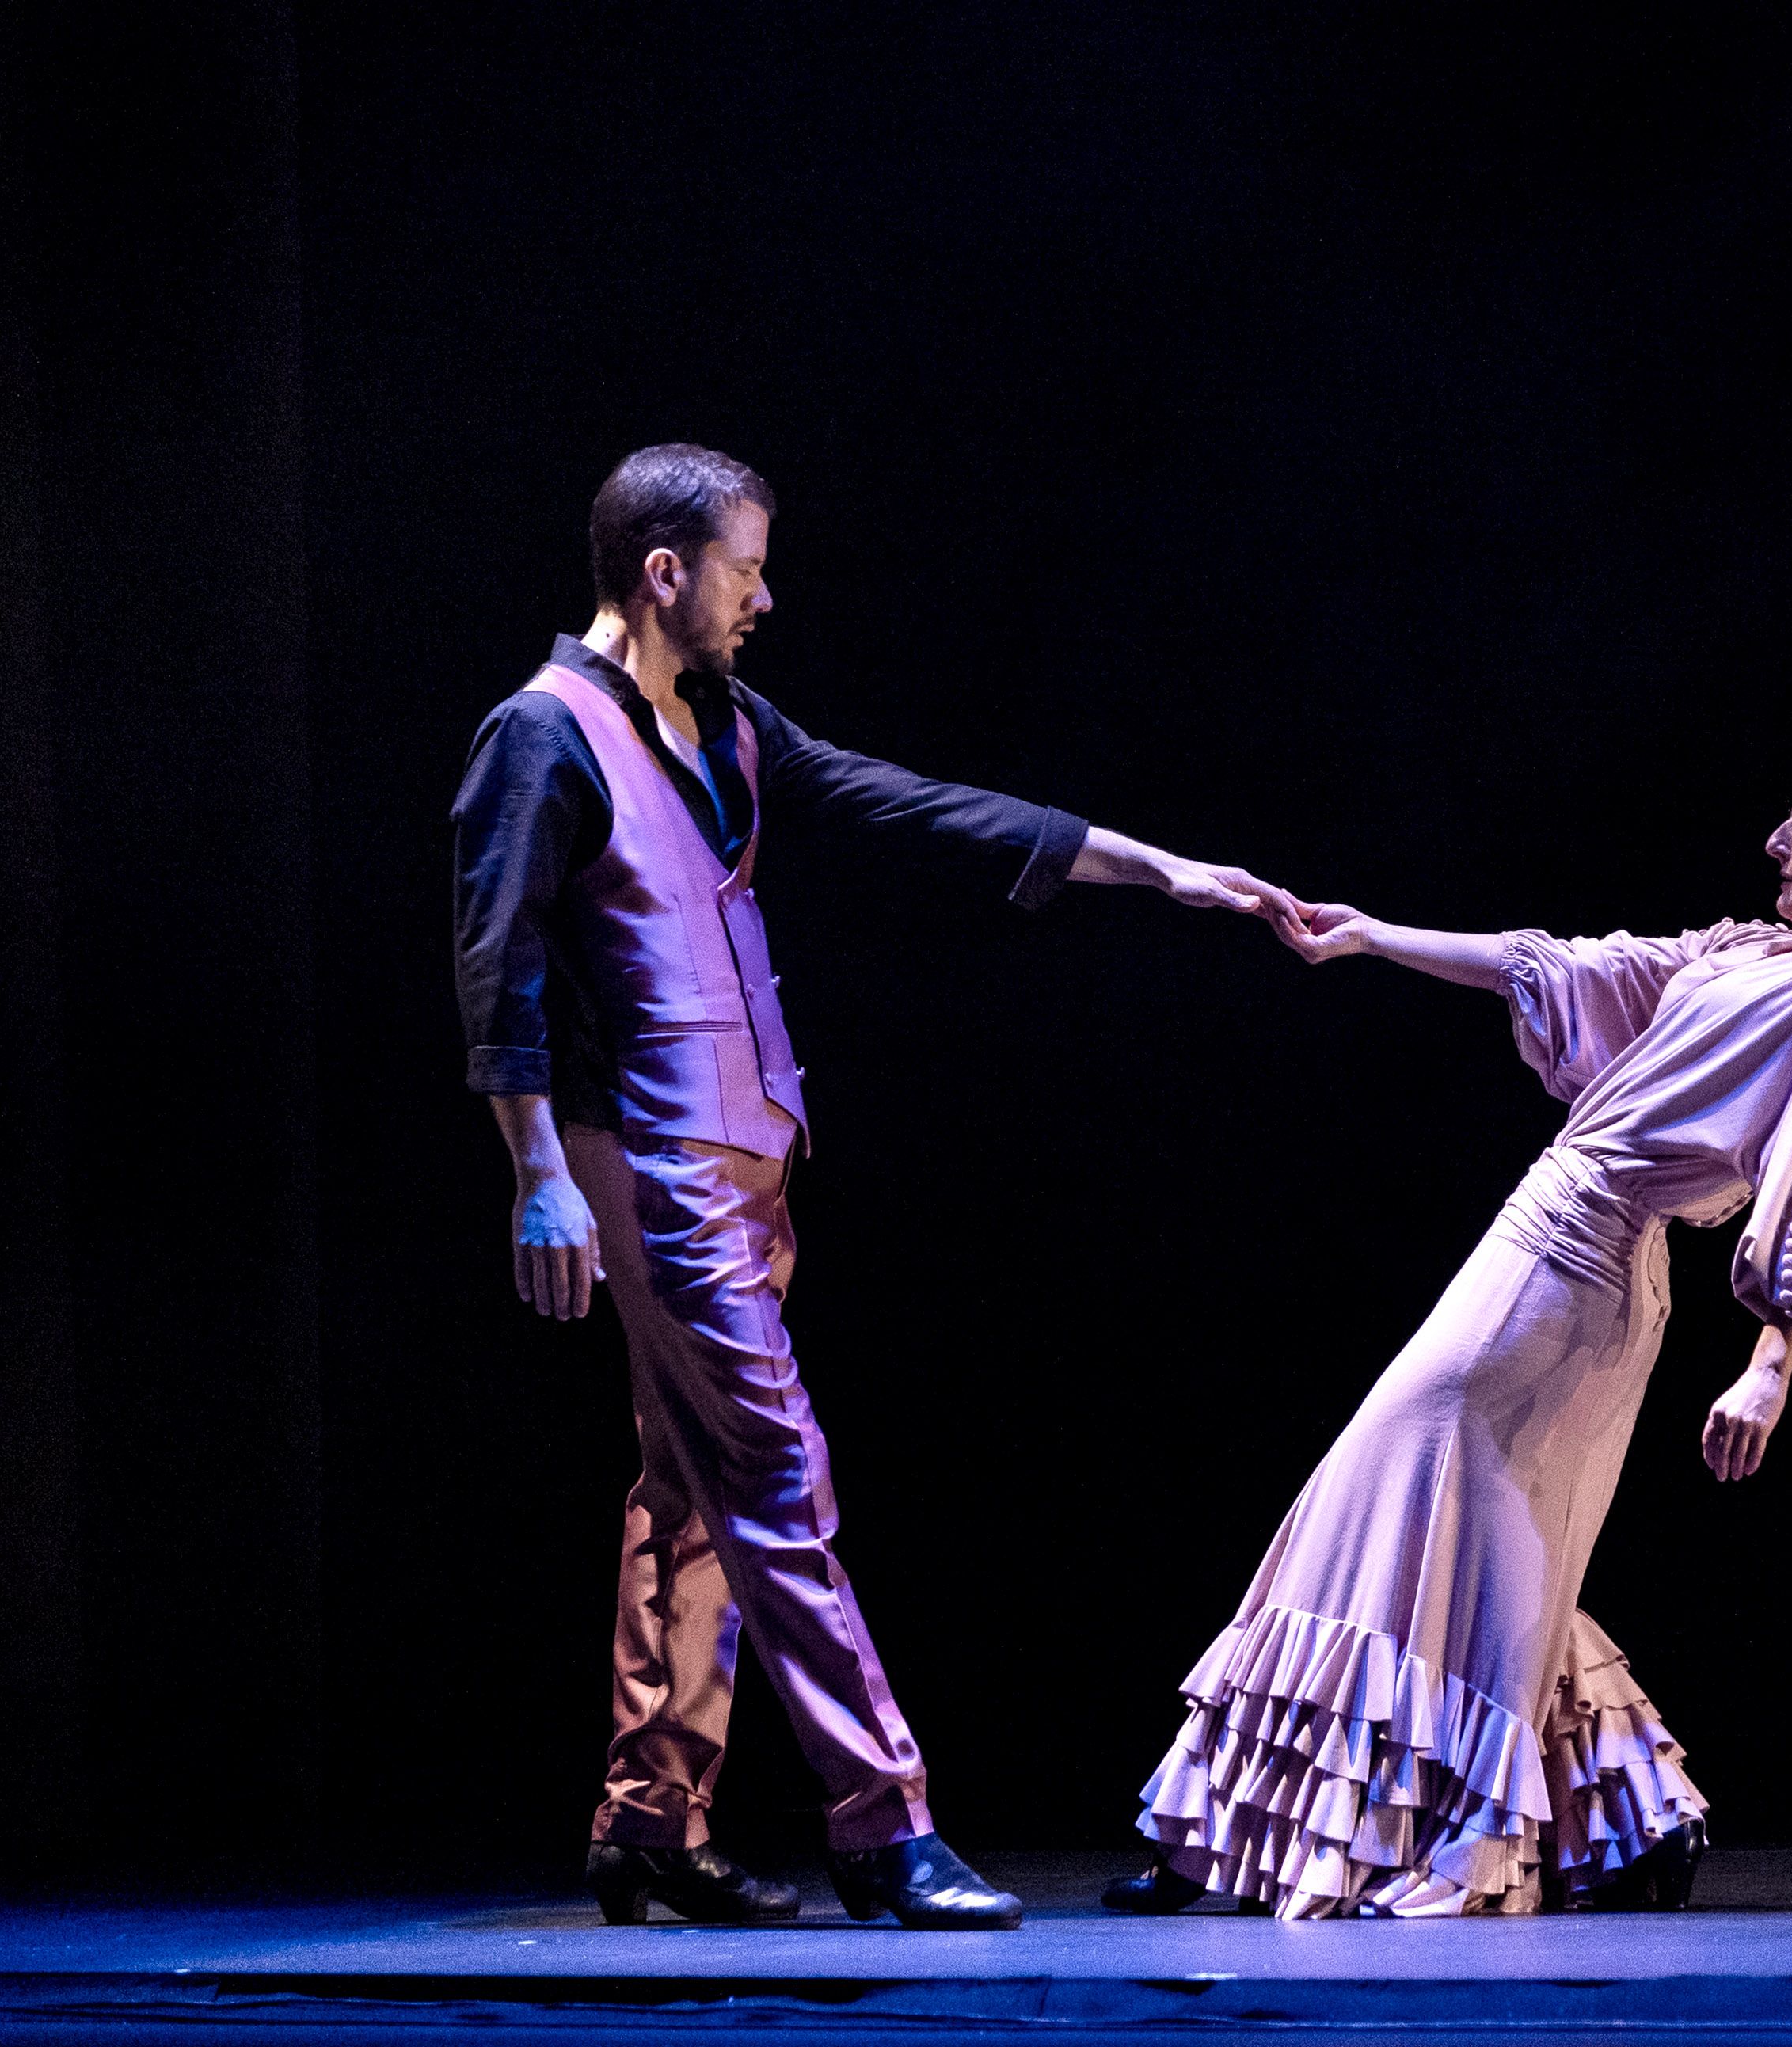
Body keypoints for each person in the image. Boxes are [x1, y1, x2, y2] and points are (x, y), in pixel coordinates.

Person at [453, 444, 1295, 1931]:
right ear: (666, 573)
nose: (762, 595)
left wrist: (1162, 869)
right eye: (745, 568)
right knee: (778, 1474)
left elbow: (908, 805)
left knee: (692, 1495)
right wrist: (537, 1175)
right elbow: (498, 960)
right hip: (648, 1166)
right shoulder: (544, 734)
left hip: (751, 1155)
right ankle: (881, 1824)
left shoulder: (720, 723)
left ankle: (651, 1826)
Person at [1108, 752, 1792, 1918]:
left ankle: (1225, 1827)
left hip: (1572, 1271)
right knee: (1500, 1543)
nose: (1776, 840)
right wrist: (1372, 937)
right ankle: (1625, 1822)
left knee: (1383, 1498)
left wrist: (1774, 1366)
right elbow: (1569, 970)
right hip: (1568, 1256)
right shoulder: (1754, 951)